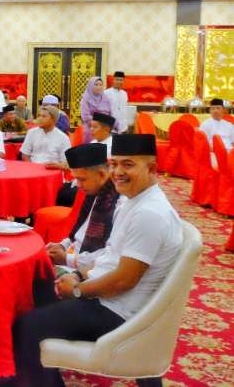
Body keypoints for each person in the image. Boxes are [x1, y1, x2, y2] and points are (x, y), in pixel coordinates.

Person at [13, 134, 182, 387]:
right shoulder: (133, 200)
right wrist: (78, 275)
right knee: (40, 291)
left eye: (128, 164)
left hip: (117, 313)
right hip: (107, 298)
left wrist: (78, 290)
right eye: (114, 164)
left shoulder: (149, 213)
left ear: (152, 168)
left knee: (25, 327)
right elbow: (109, 256)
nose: (117, 172)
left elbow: (123, 281)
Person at [46, 143, 122, 270]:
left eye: (82, 179)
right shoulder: (94, 191)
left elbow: (111, 255)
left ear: (102, 174)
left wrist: (67, 259)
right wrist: (62, 245)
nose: (78, 185)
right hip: (74, 256)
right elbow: (79, 232)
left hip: (91, 270)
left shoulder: (120, 202)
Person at [80, 76, 112, 144]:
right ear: (91, 86)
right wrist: (99, 124)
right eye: (96, 84)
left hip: (104, 130)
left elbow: (109, 113)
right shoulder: (85, 99)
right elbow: (85, 117)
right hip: (91, 129)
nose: (99, 87)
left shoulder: (106, 98)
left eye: (100, 85)